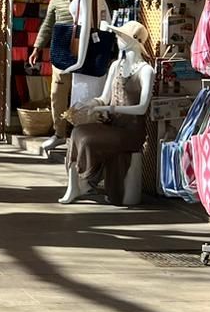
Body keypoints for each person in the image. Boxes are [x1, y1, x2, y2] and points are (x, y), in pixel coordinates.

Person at [60, 21, 154, 207]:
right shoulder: (115, 66)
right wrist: (90, 105)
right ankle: (76, 184)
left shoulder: (146, 71)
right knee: (77, 132)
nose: (118, 39)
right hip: (112, 125)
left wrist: (108, 109)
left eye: (122, 36)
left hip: (131, 132)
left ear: (134, 41)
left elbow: (142, 108)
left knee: (88, 139)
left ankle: (85, 181)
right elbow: (104, 97)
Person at [31, 0, 79, 153]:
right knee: (57, 94)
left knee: (79, 95)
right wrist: (37, 48)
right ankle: (59, 133)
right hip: (61, 52)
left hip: (84, 54)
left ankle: (77, 133)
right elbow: (48, 23)